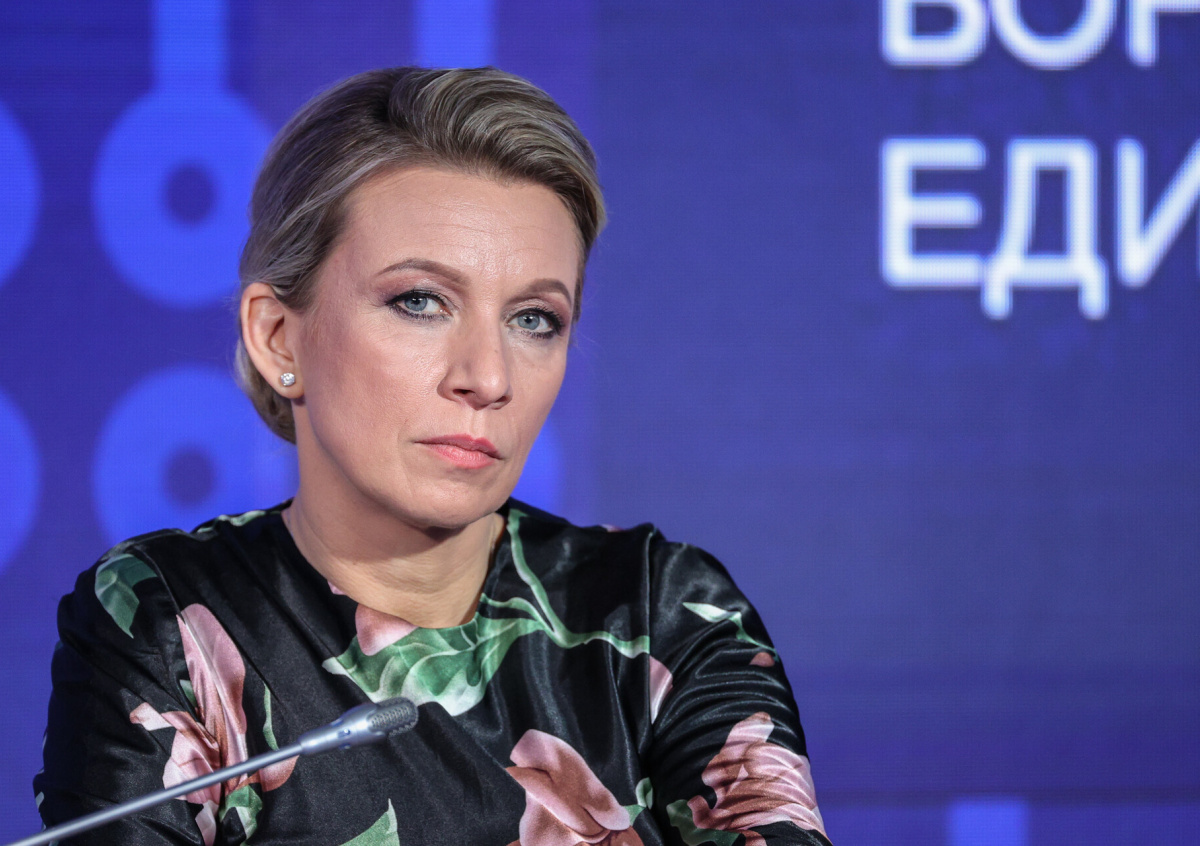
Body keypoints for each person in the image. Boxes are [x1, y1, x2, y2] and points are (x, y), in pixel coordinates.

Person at [35, 67, 831, 845]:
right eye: (420, 302)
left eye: (534, 319)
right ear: (279, 338)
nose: (488, 377)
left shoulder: (659, 613)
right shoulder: (170, 617)